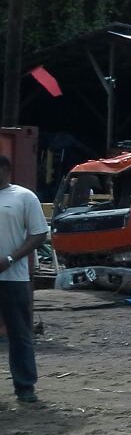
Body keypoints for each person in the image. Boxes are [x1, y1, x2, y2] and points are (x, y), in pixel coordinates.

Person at [0, 155, 49, 404]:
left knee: (19, 334)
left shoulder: (23, 197)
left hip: (12, 279)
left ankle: (25, 386)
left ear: (5, 169)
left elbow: (39, 234)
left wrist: (10, 259)